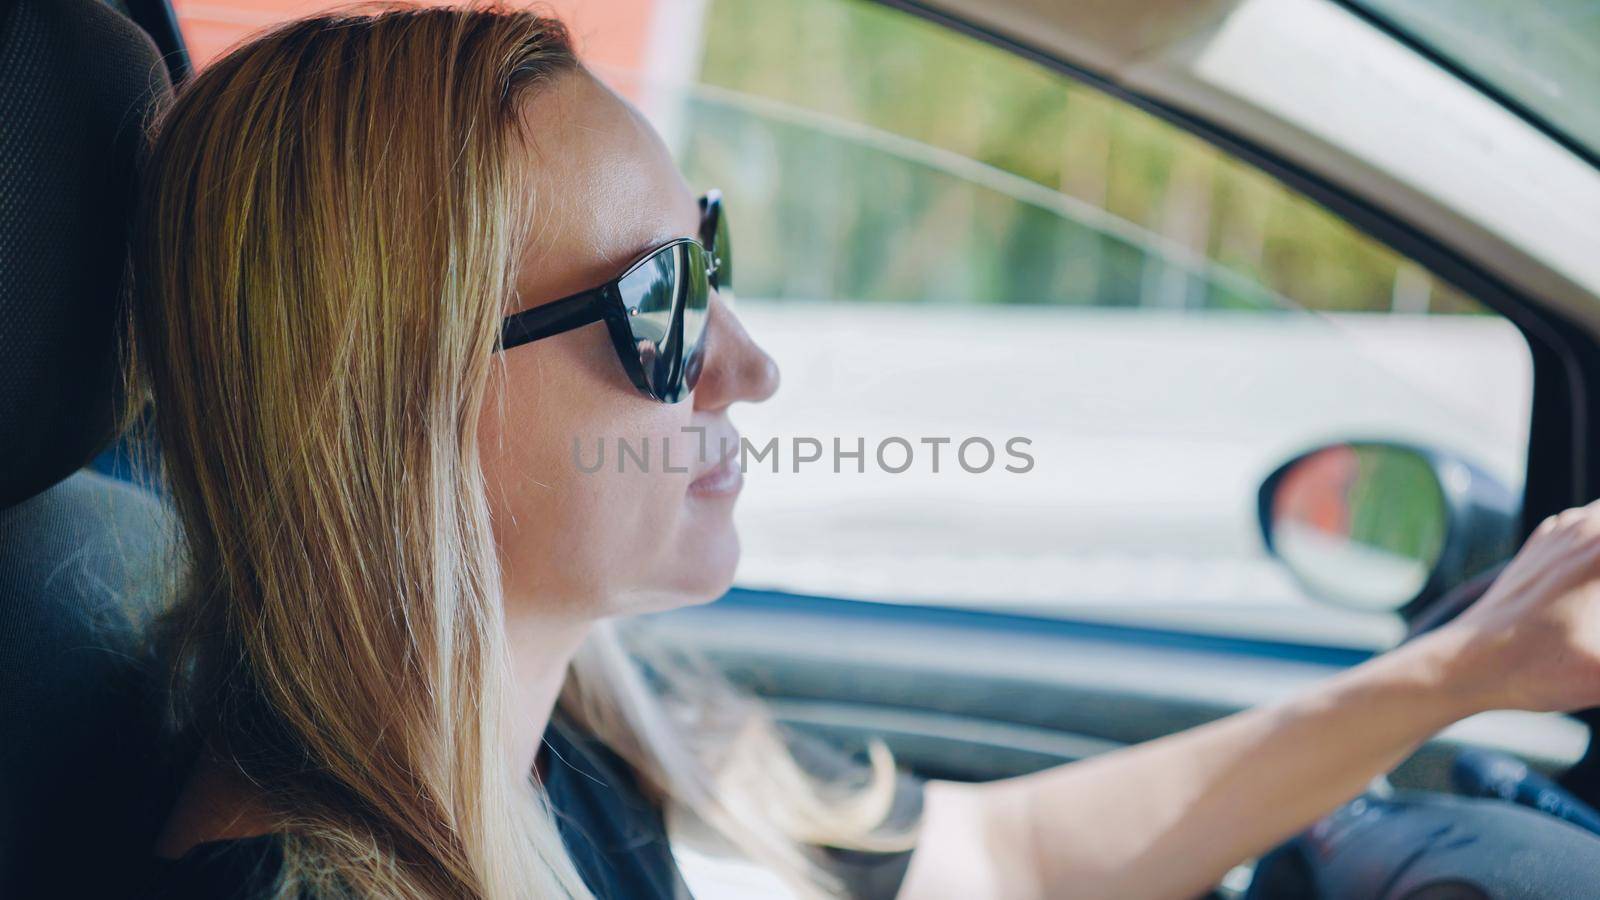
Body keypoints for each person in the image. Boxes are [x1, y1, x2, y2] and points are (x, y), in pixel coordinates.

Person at [130, 7, 1600, 899]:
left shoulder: (567, 744)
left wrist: (1462, 673)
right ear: (380, 405)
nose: (749, 367)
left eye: (708, 258)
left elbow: (1002, 864)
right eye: (659, 306)